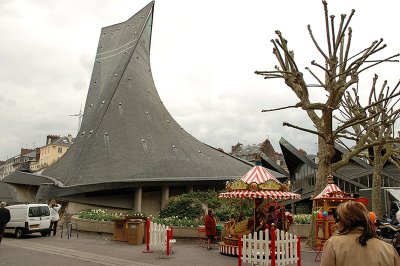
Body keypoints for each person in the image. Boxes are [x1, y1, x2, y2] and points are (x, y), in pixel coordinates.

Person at [320, 201, 400, 266]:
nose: (336, 223)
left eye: (338, 219)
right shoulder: (388, 249)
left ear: (344, 221)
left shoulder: (333, 245)